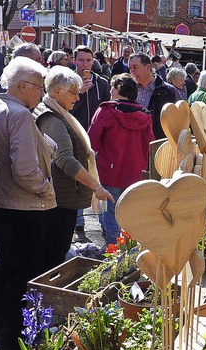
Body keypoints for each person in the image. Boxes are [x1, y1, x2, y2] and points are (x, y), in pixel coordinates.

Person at [0, 57, 55, 350]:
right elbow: (25, 169)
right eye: (39, 87)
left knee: (5, 267)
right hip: (22, 206)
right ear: (22, 86)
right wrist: (44, 187)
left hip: (1, 203)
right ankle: (13, 336)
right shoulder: (19, 114)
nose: (41, 93)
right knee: (21, 274)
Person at [34, 66, 114, 268]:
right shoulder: (52, 119)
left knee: (57, 249)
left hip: (63, 198)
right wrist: (96, 186)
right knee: (55, 252)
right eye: (73, 93)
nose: (77, 98)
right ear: (56, 92)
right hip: (60, 200)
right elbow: (65, 160)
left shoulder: (57, 113)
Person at [89, 73, 155, 246]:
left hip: (110, 171)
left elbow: (92, 142)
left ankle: (114, 252)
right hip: (136, 172)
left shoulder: (106, 111)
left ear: (117, 89)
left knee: (111, 213)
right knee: (131, 214)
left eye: (112, 87)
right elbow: (151, 145)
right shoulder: (145, 115)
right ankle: (129, 252)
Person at [70, 45, 111, 242]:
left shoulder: (102, 82)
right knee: (77, 178)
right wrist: (80, 93)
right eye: (81, 60)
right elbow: (64, 110)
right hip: (75, 136)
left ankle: (103, 220)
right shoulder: (68, 81)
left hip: (97, 139)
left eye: (88, 60)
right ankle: (78, 221)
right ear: (74, 60)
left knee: (98, 178)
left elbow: (106, 108)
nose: (85, 64)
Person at [129, 52, 179, 139]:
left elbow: (177, 121)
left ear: (148, 67)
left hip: (157, 145)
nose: (132, 72)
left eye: (135, 67)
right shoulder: (127, 90)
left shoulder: (168, 91)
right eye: (130, 68)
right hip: (133, 143)